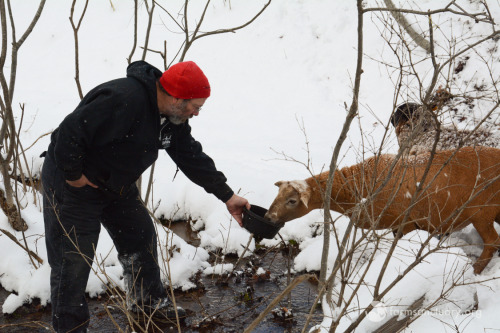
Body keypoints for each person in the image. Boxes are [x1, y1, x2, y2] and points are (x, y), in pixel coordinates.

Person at [41, 60, 250, 332]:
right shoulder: (123, 97)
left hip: (115, 185)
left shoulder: (173, 119)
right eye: (195, 106)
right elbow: (70, 131)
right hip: (74, 187)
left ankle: (147, 305)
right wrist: (72, 174)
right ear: (176, 97)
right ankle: (70, 329)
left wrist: (227, 195)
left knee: (139, 237)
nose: (197, 113)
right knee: (73, 262)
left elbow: (190, 156)